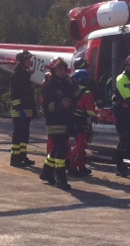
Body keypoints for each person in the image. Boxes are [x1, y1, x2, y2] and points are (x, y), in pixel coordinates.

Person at [40, 57, 76, 189]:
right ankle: (61, 179)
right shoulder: (50, 85)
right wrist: (60, 105)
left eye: (63, 68)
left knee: (56, 148)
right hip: (55, 122)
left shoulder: (67, 83)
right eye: (58, 69)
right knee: (62, 150)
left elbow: (78, 94)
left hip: (66, 120)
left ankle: (47, 172)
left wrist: (72, 82)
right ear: (53, 71)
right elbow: (45, 106)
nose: (61, 71)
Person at [9, 50, 37, 168]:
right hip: (19, 110)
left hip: (26, 108)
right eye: (27, 60)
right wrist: (18, 107)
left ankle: (22, 156)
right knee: (18, 134)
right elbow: (14, 93)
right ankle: (14, 158)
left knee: (25, 134)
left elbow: (28, 93)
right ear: (21, 61)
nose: (29, 62)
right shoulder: (16, 75)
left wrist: (32, 109)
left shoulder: (25, 74)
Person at [69, 69, 97, 177]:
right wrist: (98, 115)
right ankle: (73, 166)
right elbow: (90, 110)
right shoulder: (87, 92)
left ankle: (81, 167)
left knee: (79, 144)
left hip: (72, 120)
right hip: (81, 121)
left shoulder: (71, 90)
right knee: (81, 145)